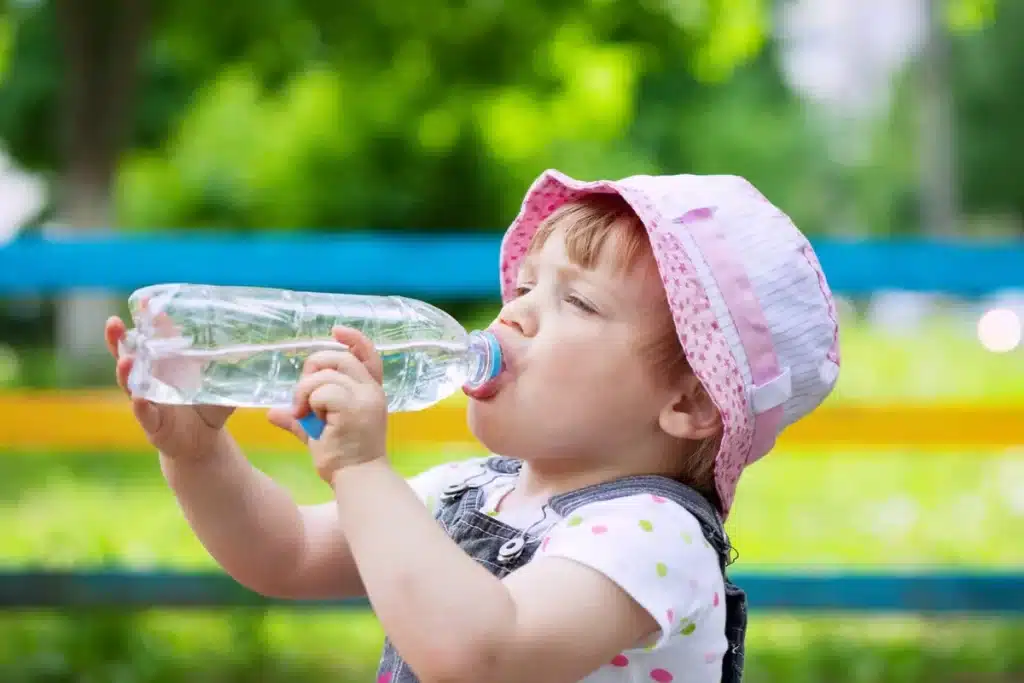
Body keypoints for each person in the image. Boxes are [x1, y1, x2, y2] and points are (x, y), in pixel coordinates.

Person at [104, 169, 840, 683]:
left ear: (689, 401)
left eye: (576, 302)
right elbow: (287, 553)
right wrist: (197, 452)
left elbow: (482, 653)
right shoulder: (469, 490)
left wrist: (363, 470)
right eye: (523, 287)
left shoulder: (655, 534)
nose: (513, 312)